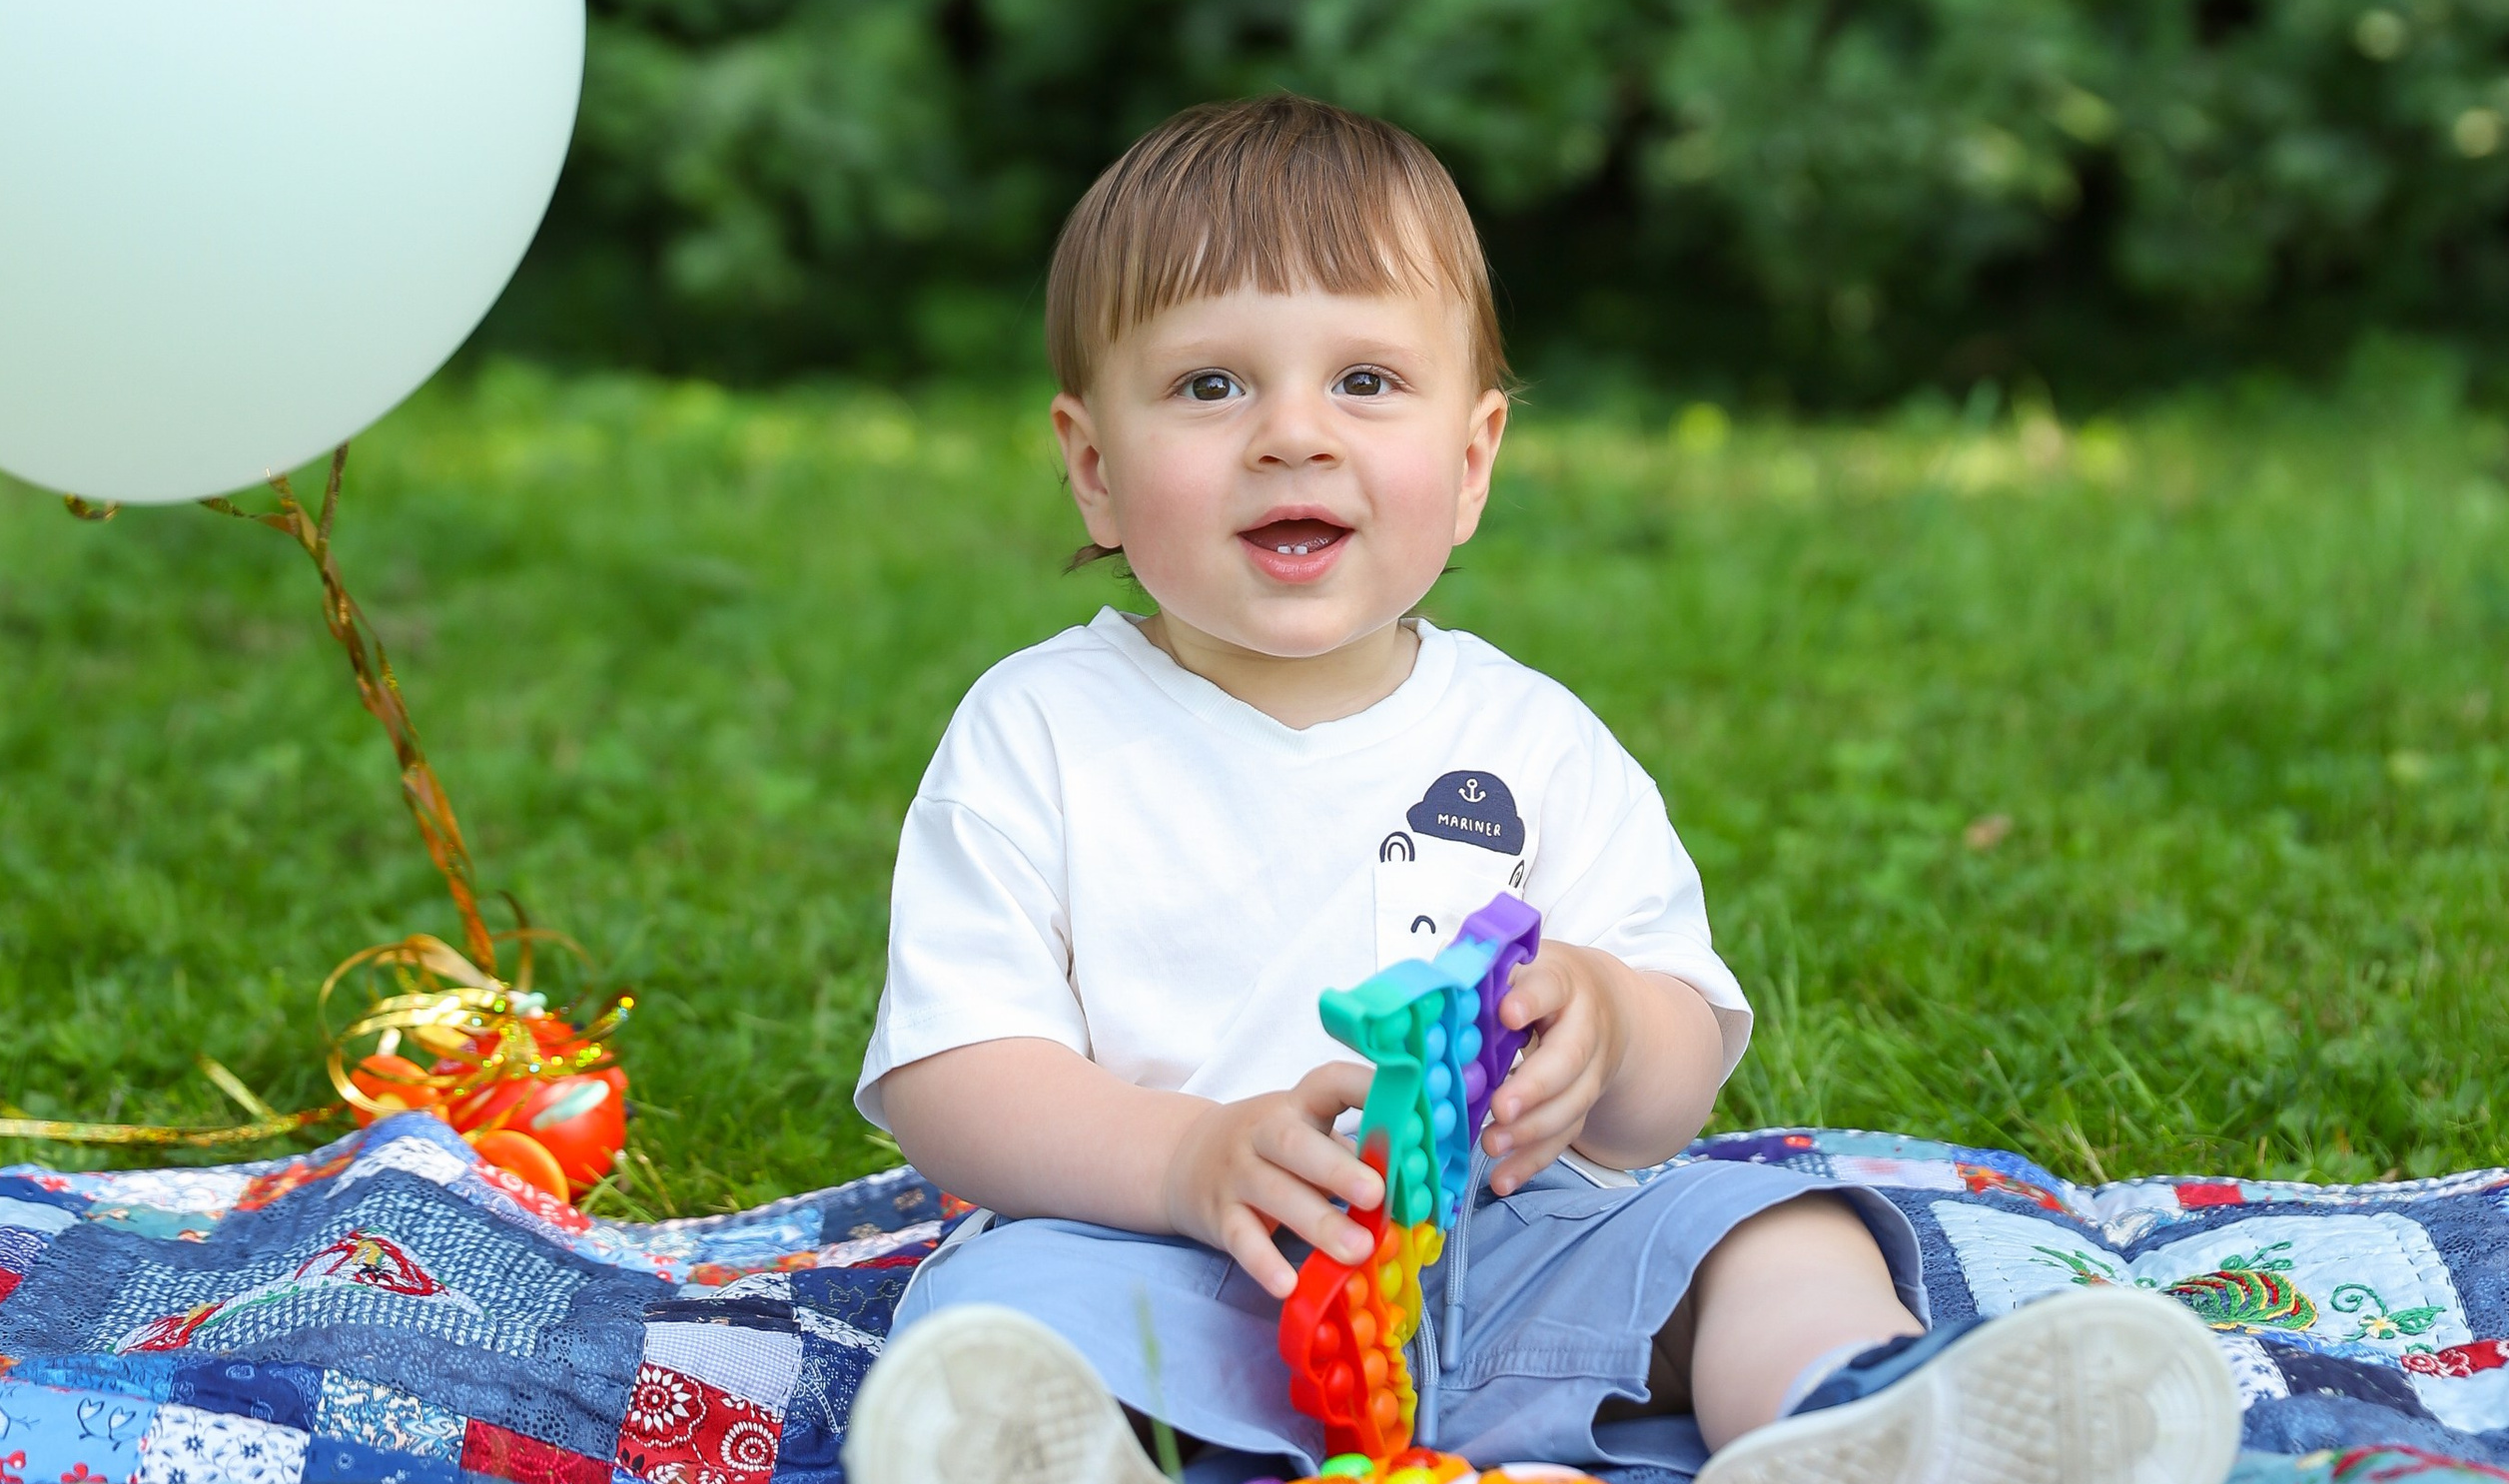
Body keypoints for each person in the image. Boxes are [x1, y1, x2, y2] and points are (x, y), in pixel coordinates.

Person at [839, 98, 2237, 1484]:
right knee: (993, 1316)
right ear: (1093, 468)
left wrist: (1611, 1027)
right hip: (1172, 1266)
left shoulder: (1529, 737)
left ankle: (1857, 1420)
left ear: (1471, 462)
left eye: (1366, 383)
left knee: (1776, 1233)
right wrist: (1186, 1162)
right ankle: (1072, 1453)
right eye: (1212, 386)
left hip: (1508, 1260)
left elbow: (1671, 1081)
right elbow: (954, 1079)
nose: (1291, 434)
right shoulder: (1040, 731)